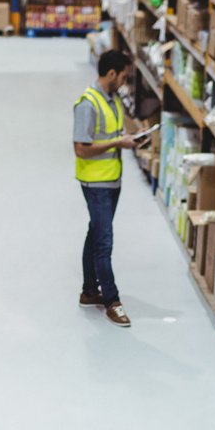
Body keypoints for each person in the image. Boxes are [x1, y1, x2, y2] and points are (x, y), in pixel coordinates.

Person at [73, 49, 141, 328]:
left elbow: (114, 134)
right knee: (104, 243)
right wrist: (117, 143)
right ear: (111, 73)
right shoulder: (87, 104)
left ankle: (89, 291)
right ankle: (112, 301)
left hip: (112, 179)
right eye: (123, 75)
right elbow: (81, 149)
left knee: (96, 233)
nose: (125, 81)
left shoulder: (113, 101)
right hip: (96, 182)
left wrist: (133, 139)